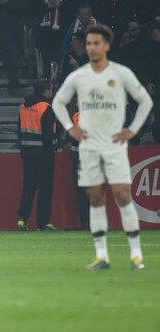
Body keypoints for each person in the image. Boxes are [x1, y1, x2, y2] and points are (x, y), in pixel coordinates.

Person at [52, 24, 153, 270]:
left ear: (106, 46)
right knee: (95, 198)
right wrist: (69, 128)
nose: (92, 48)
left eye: (97, 43)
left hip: (113, 145)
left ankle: (136, 254)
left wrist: (132, 129)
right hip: (89, 147)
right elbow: (57, 102)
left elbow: (145, 100)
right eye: (89, 44)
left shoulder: (120, 73)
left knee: (122, 195)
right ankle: (101, 255)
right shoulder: (79, 76)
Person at [16, 80, 57, 231]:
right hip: (42, 154)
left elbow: (20, 130)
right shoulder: (45, 108)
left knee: (28, 187)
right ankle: (43, 222)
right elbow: (47, 136)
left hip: (27, 153)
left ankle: (22, 219)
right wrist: (49, 155)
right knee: (45, 189)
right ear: (46, 91)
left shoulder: (23, 106)